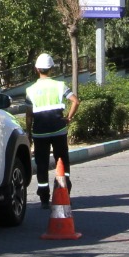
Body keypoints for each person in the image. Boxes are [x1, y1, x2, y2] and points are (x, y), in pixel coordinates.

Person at [28, 53, 77, 205]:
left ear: (37, 69)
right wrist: (68, 117)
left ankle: (44, 197)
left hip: (39, 131)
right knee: (62, 161)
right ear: (51, 69)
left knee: (41, 164)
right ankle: (64, 191)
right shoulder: (60, 86)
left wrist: (28, 131)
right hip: (58, 130)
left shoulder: (30, 90)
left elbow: (29, 114)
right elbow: (75, 101)